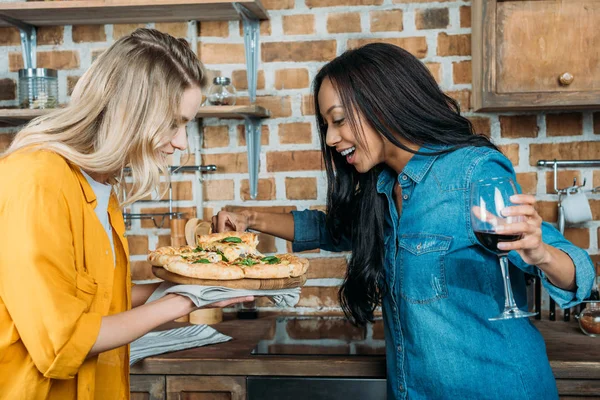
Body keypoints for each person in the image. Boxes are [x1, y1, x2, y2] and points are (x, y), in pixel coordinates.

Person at [212, 43, 595, 400]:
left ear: (383, 104)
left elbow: (578, 273)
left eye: (339, 120)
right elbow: (331, 229)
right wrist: (250, 217)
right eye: (327, 125)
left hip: (496, 387)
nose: (330, 138)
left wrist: (541, 253)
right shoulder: (383, 187)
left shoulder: (471, 172)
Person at [0, 28, 252, 400]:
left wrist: (189, 288)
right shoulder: (37, 180)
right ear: (128, 112)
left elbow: (100, 297)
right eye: (173, 122)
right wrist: (183, 302)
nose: (181, 142)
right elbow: (62, 342)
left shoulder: (101, 183)